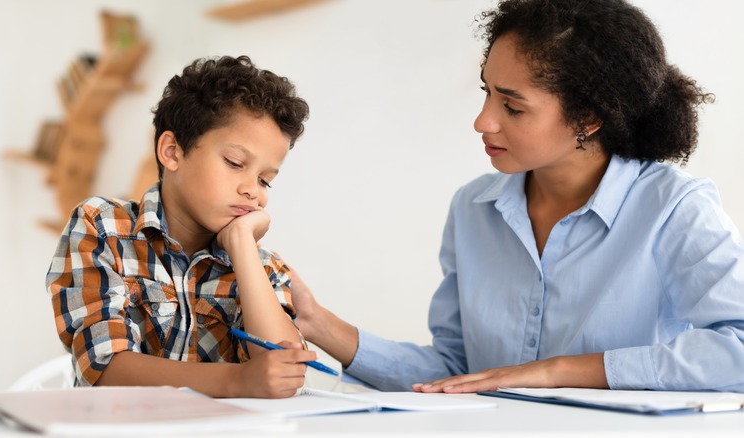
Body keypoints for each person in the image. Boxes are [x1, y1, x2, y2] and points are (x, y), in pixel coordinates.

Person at [289, 0, 744, 393]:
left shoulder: (675, 207)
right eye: (486, 92)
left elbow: (737, 348)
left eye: (512, 106)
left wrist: (560, 371)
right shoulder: (473, 209)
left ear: (588, 118)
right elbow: (458, 372)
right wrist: (318, 324)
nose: (482, 121)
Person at [46, 55, 318, 398]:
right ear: (172, 151)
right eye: (235, 163)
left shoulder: (262, 267)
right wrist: (237, 380)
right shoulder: (102, 228)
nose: (253, 190)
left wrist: (244, 250)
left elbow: (284, 374)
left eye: (266, 181)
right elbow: (105, 368)